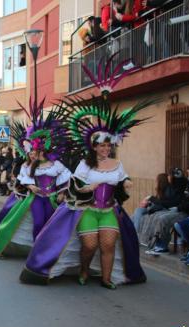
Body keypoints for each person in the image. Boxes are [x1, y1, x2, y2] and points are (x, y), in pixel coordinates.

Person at [20, 59, 151, 288]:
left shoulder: (116, 164)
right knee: (90, 245)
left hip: (109, 209)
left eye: (108, 146)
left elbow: (122, 179)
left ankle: (107, 279)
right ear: (94, 147)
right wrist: (86, 188)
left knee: (109, 244)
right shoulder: (84, 165)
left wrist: (128, 182)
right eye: (101, 146)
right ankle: (83, 270)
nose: (105, 149)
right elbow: (73, 186)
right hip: (86, 210)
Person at [0, 108, 71, 258]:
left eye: (39, 150)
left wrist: (62, 193)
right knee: (38, 222)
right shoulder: (28, 166)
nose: (36, 153)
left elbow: (66, 178)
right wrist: (31, 186)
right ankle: (36, 252)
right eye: (34, 151)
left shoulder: (56, 164)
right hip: (36, 198)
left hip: (52, 199)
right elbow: (24, 179)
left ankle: (48, 252)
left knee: (50, 225)